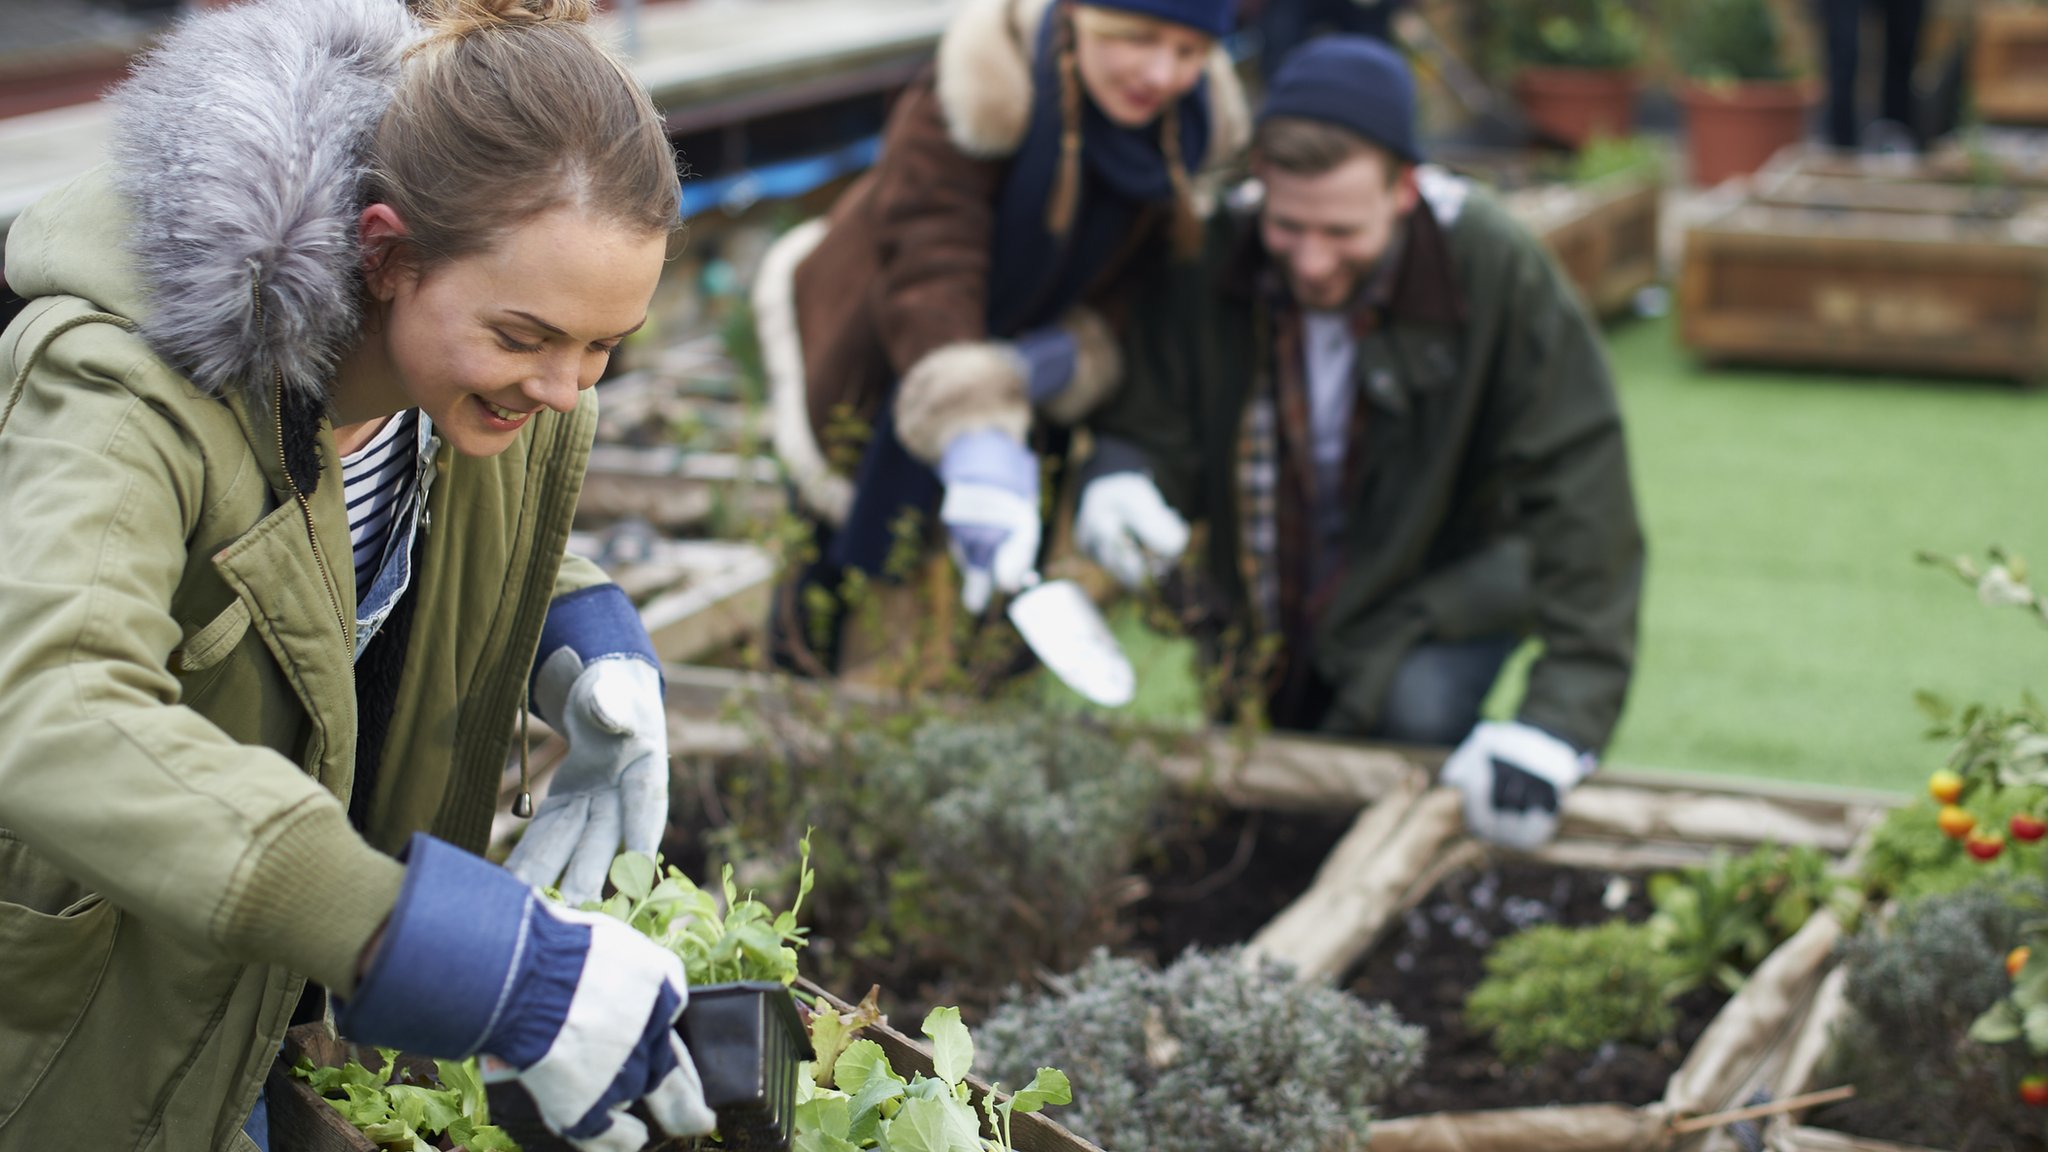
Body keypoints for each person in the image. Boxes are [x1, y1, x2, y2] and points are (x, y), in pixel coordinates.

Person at [0, 1, 715, 1148]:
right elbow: (51, 707)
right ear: (383, 253)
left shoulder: (448, 385)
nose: (565, 388)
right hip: (88, 1032)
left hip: (265, 1003)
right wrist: (414, 937)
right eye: (528, 338)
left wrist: (584, 630)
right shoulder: (126, 385)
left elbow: (357, 554)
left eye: (604, 346)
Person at [1077, 37, 1644, 849]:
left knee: (1407, 711)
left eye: (1342, 231)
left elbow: (1583, 486)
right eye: (1289, 225)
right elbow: (1150, 416)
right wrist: (1121, 473)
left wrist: (1557, 725)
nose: (1311, 261)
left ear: (1405, 189)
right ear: (1259, 189)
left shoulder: (1488, 264)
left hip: (1436, 593)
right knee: (1263, 775)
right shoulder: (1213, 253)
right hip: (1268, 594)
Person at [753, 0, 1248, 670]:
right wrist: (976, 427)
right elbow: (930, 261)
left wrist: (1055, 361)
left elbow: (1142, 289)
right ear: (1082, 16)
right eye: (1138, 38)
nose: (1161, 74)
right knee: (830, 588)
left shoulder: (1186, 132)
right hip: (888, 350)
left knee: (1001, 604)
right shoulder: (975, 87)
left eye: (1190, 52)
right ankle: (805, 725)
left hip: (1032, 379)